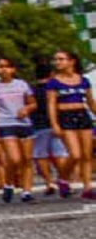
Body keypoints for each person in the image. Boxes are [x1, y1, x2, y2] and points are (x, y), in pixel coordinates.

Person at [0, 57, 35, 203]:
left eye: (7, 66)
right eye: (0, 67)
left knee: (27, 159)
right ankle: (8, 183)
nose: (4, 69)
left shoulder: (22, 85)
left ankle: (27, 191)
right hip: (5, 123)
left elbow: (33, 103)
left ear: (13, 69)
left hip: (24, 123)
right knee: (14, 158)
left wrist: (27, 108)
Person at [47, 49, 96, 201]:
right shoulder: (53, 82)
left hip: (82, 115)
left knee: (87, 155)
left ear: (71, 61)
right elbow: (51, 105)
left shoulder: (83, 80)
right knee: (75, 154)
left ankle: (87, 187)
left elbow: (90, 101)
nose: (58, 62)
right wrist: (54, 124)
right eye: (56, 59)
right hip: (65, 117)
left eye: (61, 59)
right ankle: (62, 178)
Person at [28, 59, 67, 197]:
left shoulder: (31, 90)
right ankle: (63, 180)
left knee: (40, 155)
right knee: (60, 154)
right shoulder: (55, 87)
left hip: (38, 125)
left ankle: (49, 182)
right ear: (51, 73)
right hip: (57, 123)